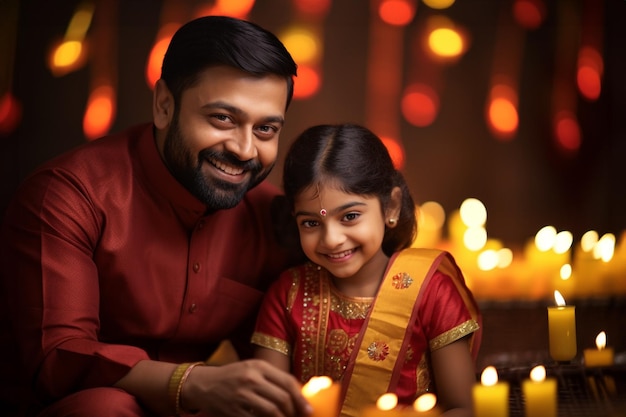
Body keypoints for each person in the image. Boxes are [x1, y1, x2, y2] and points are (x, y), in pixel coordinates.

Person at [0, 15, 313, 417]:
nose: (245, 149)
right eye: (223, 119)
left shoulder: (273, 219)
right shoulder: (67, 195)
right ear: (164, 105)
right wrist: (193, 383)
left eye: (266, 129)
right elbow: (58, 357)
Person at [251, 124, 482, 417]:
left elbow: (463, 408)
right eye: (311, 223)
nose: (331, 239)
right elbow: (268, 409)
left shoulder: (432, 289)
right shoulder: (288, 294)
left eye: (349, 216)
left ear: (392, 207)